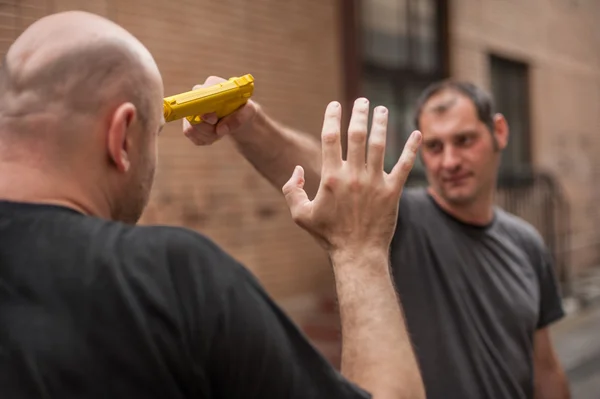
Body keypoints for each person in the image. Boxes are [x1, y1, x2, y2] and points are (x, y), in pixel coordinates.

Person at [0, 11, 426, 399]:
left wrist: (250, 124)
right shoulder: (173, 282)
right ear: (122, 136)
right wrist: (359, 250)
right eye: (154, 137)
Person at [188, 79, 572, 398]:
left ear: (499, 132)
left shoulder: (526, 243)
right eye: (434, 147)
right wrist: (247, 123)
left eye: (465, 140)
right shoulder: (393, 220)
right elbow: (323, 175)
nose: (450, 161)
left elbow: (545, 367)